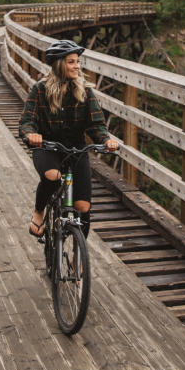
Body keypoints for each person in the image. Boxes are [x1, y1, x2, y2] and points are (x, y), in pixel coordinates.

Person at [19, 39, 119, 239]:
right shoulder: (40, 89)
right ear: (59, 64)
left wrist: (106, 140)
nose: (77, 66)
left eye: (77, 62)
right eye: (71, 62)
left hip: (76, 149)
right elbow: (27, 121)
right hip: (48, 146)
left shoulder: (85, 91)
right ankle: (40, 211)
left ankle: (78, 257)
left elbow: (96, 124)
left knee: (83, 207)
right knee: (53, 176)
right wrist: (31, 135)